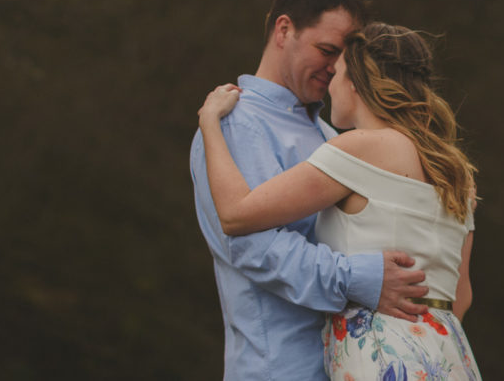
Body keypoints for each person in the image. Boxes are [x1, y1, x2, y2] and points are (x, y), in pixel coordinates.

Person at [198, 22, 481, 381]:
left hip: (382, 355)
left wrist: (210, 123)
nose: (330, 83)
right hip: (449, 354)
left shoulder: (359, 148)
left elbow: (237, 215)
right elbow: (461, 295)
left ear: (356, 83)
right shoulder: (457, 172)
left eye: (339, 72)